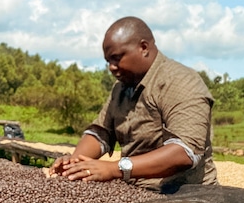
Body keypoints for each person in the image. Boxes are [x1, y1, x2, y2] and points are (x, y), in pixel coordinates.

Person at [51, 17, 217, 192]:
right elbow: (100, 133)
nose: (111, 67)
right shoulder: (121, 88)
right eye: (108, 61)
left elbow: (184, 152)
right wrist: (74, 164)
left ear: (143, 48)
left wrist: (115, 169)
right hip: (137, 190)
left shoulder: (180, 82)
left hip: (186, 194)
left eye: (116, 58)